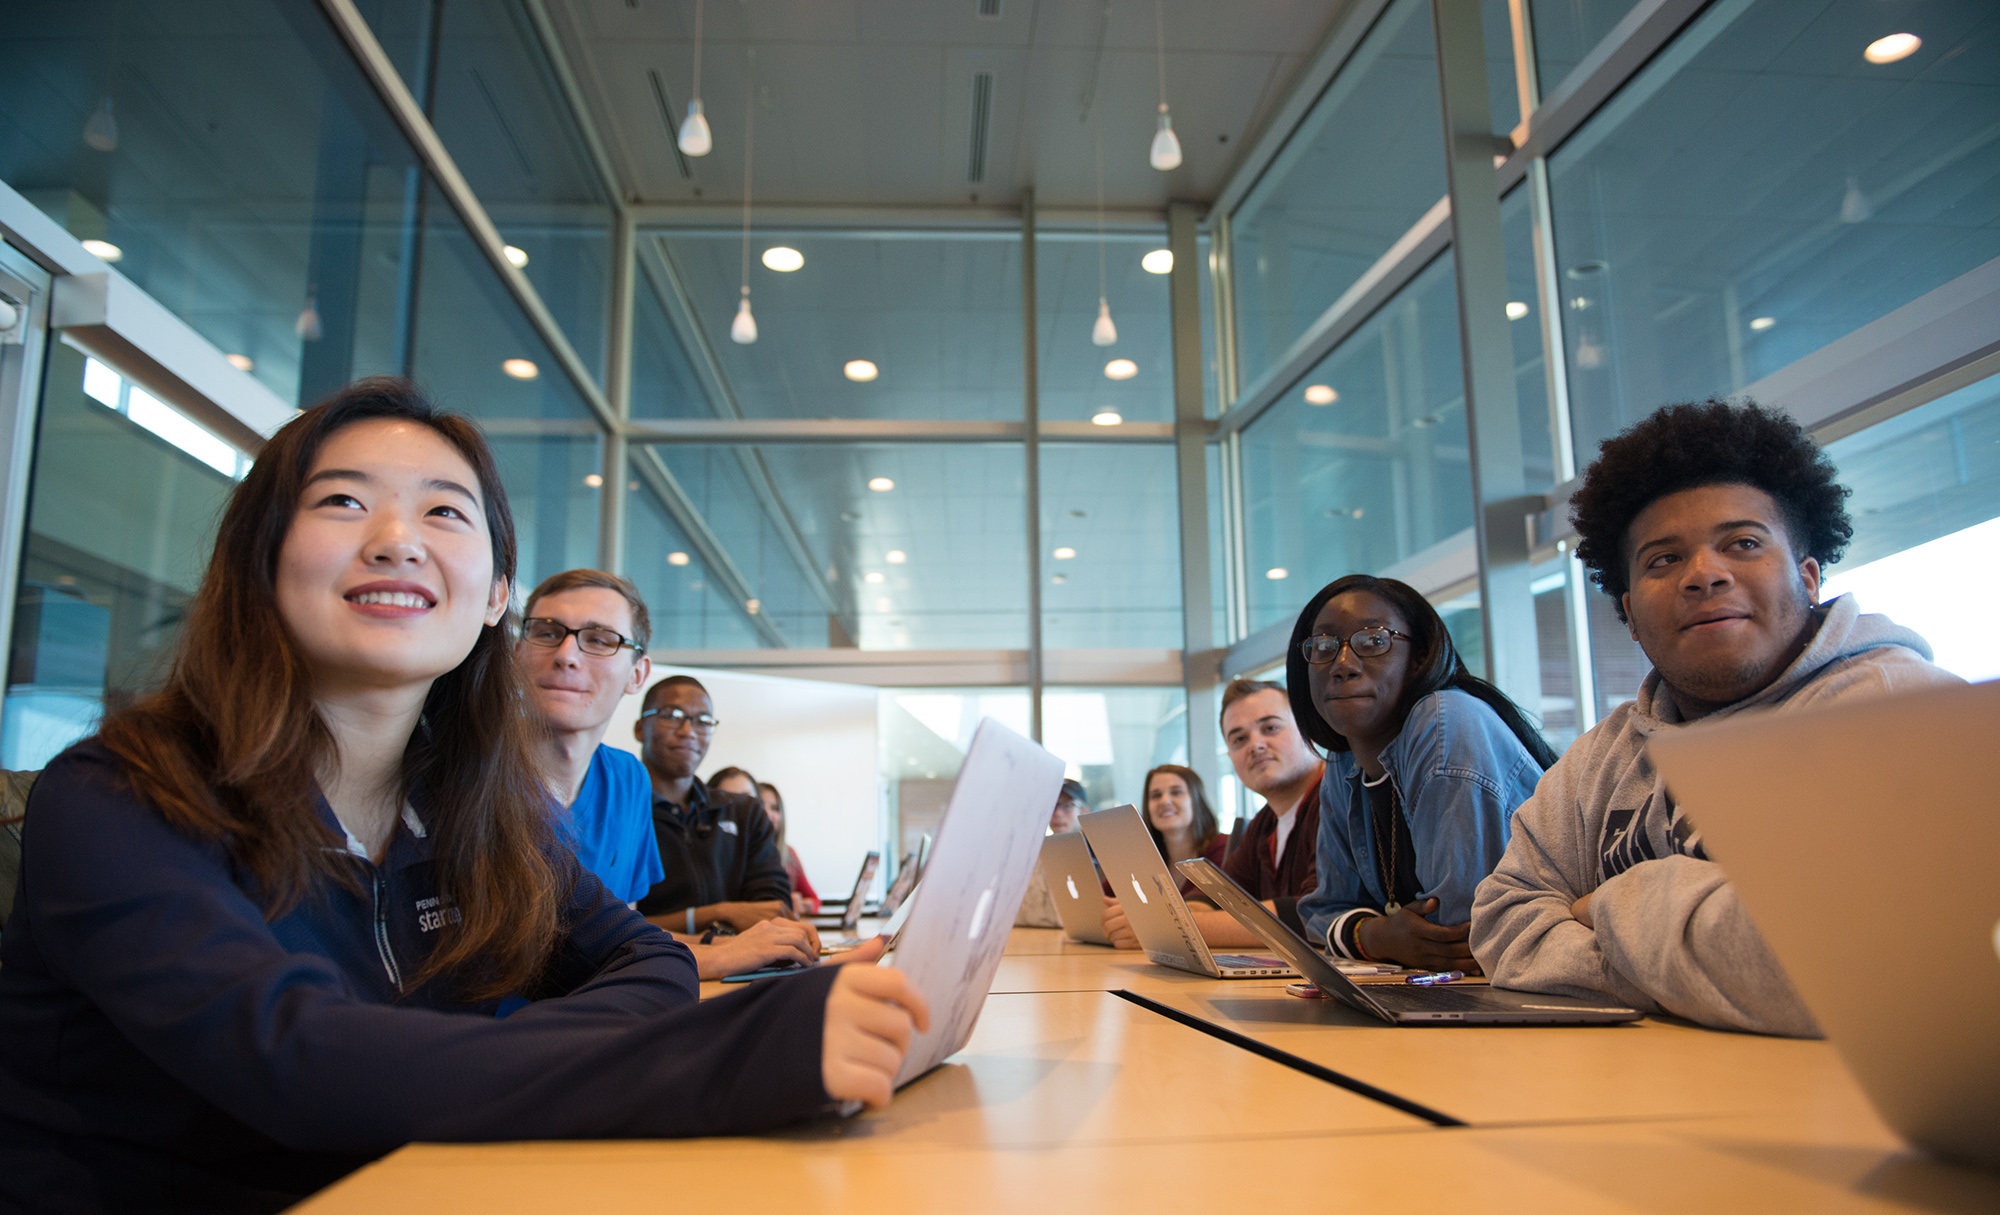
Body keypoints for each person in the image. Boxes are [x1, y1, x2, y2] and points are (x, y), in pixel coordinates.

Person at [0, 379, 928, 1212]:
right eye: (342, 501)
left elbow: (649, 960)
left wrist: (439, 1068)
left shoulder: (477, 809)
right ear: (261, 557)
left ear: (492, 595)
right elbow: (301, 1064)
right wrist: (726, 1054)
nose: (397, 539)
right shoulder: (121, 796)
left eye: (445, 512)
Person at [1471, 399, 1958, 1036]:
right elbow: (1503, 920)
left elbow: (1835, 968)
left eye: (1743, 543)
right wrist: (1705, 967)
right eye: (1663, 560)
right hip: (1638, 1100)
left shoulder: (1897, 711)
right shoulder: (1603, 757)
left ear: (1808, 579)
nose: (1705, 574)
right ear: (1631, 617)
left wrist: (1613, 902)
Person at [519, 575, 819, 978]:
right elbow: (547, 953)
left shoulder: (626, 781)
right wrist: (722, 951)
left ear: (637, 674)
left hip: (619, 1014)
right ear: (517, 651)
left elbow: (622, 935)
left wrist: (736, 945)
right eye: (547, 633)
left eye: (600, 639)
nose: (567, 655)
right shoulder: (468, 772)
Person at [1292, 574, 1557, 973]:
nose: (1343, 664)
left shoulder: (1445, 721)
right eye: (1324, 647)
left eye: (1374, 640)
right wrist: (1379, 936)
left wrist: (1379, 934)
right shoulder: (1345, 759)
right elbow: (1321, 912)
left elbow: (1458, 934)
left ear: (1419, 657)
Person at [633, 676, 794, 937]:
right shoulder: (618, 812)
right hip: (652, 970)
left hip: (744, 966)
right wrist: (721, 913)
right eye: (672, 715)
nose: (688, 730)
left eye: (703, 721)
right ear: (640, 728)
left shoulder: (744, 813)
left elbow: (771, 911)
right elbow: (612, 927)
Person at [1100, 765, 1227, 948]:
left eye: (1176, 792)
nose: (1165, 801)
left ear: (1196, 800)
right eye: (1155, 796)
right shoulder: (1143, 857)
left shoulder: (1222, 847)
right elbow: (1103, 898)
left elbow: (1206, 906)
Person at [709, 768, 819, 914]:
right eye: (729, 800)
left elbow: (811, 899)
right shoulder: (710, 855)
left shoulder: (778, 854)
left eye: (748, 801)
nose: (739, 810)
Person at [1015, 777, 1089, 929]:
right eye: (1051, 806)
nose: (1057, 813)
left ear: (1084, 810)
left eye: (1067, 806)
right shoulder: (1032, 855)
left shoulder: (1101, 856)